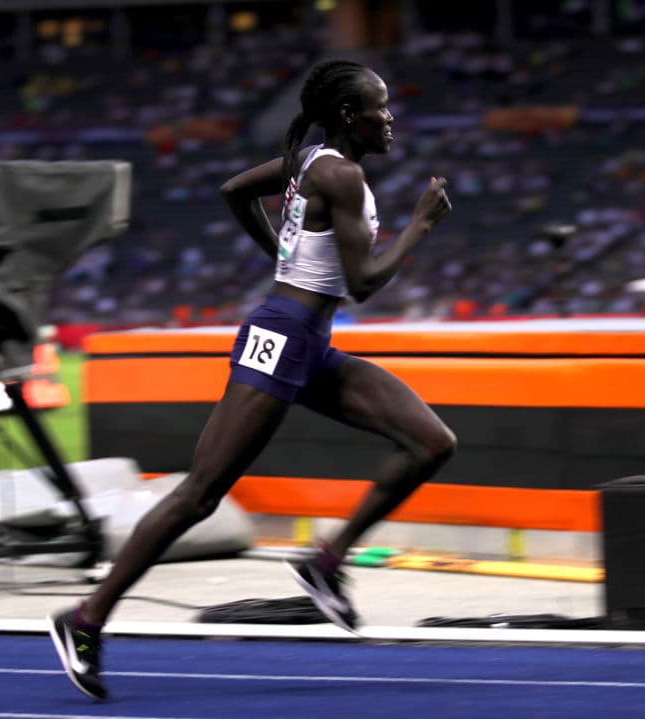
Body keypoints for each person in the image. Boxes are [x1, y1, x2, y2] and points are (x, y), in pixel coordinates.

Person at [48, 59, 457, 701]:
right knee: (201, 493)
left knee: (431, 442)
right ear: (351, 115)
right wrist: (420, 227)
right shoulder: (339, 173)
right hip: (282, 339)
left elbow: (234, 191)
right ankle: (84, 619)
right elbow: (365, 283)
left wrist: (284, 256)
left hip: (309, 341)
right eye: (381, 106)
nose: (391, 117)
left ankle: (325, 562)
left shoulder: (312, 160)